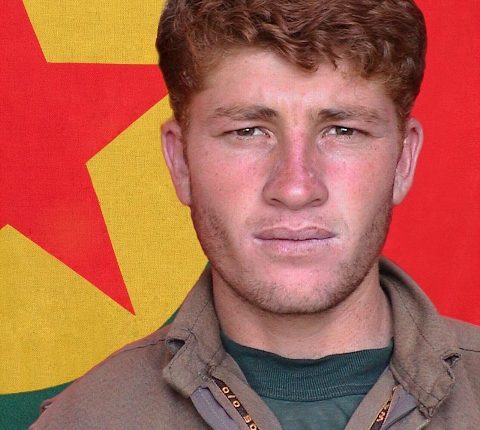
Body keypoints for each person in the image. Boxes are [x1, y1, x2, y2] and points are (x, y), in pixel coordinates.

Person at [31, 0, 480, 428]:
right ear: (181, 162)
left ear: (403, 161)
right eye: (247, 131)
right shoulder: (81, 421)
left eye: (343, 130)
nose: (296, 188)